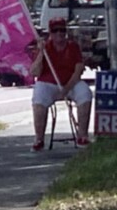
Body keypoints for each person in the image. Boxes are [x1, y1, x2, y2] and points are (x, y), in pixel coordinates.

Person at [29, 16, 92, 151]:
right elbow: (34, 72)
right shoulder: (45, 48)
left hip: (71, 83)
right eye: (56, 31)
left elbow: (78, 70)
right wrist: (41, 53)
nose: (59, 34)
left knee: (85, 93)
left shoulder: (72, 47)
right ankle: (39, 139)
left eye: (62, 30)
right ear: (50, 33)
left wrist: (67, 88)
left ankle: (83, 136)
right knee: (39, 96)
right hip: (49, 83)